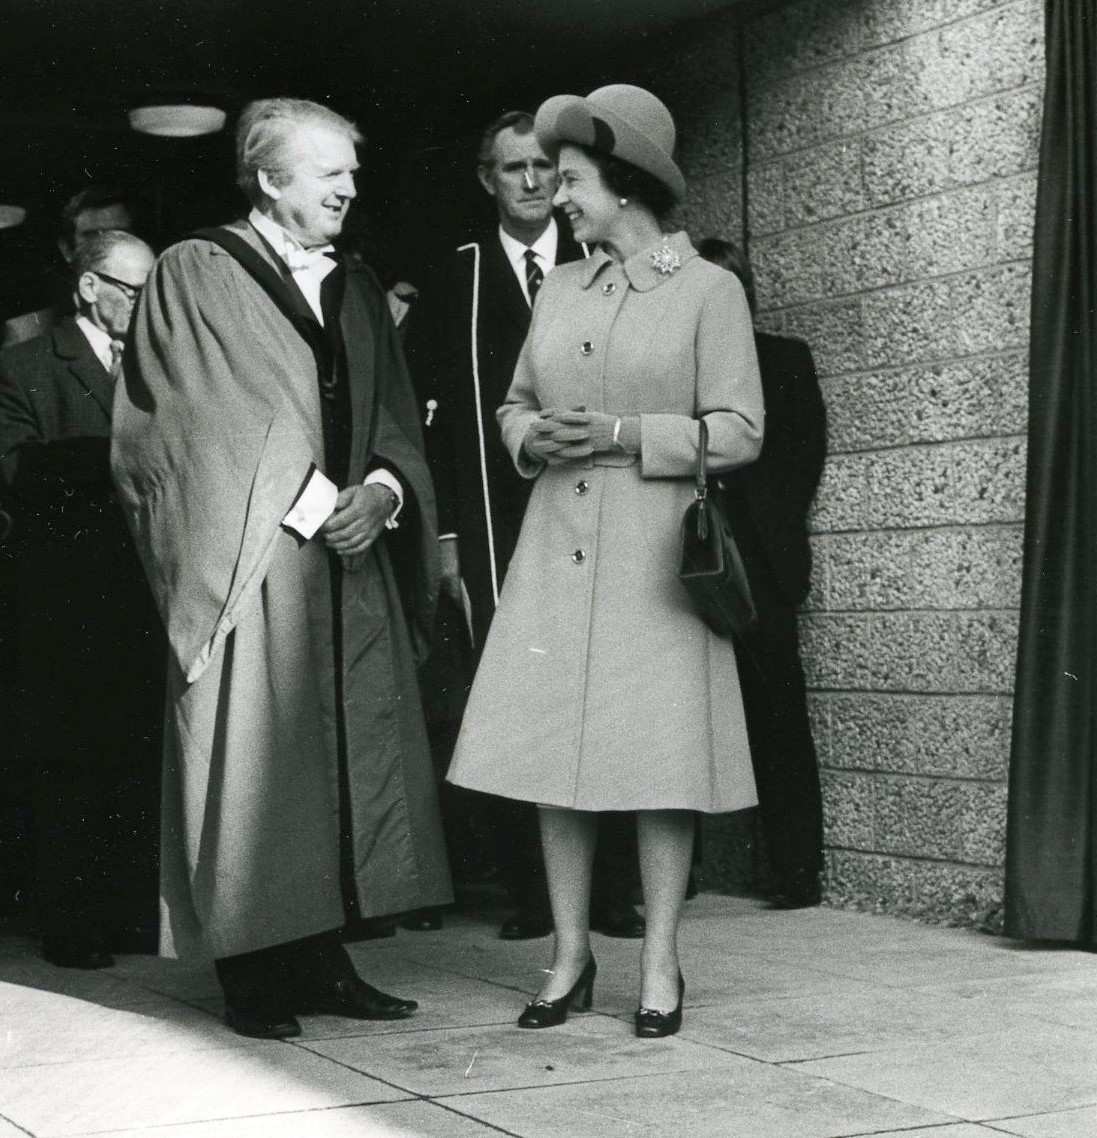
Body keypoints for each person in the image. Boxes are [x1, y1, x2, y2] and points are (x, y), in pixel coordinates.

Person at [111, 97, 452, 1040]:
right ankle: (253, 968)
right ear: (269, 179)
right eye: (328, 171)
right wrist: (313, 506)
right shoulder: (198, 272)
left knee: (340, 759)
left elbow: (390, 412)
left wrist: (382, 493)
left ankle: (321, 956)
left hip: (348, 558)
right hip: (255, 557)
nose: (349, 187)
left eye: (351, 170)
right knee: (258, 759)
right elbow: (196, 422)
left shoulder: (353, 283)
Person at [448, 84, 764, 1038]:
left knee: (658, 767)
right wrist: (527, 436)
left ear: (623, 187)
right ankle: (570, 955)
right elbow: (509, 403)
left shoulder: (708, 288)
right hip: (555, 550)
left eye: (572, 178)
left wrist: (626, 432)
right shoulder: (559, 285)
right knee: (557, 762)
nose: (555, 194)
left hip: (652, 558)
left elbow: (741, 430)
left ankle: (660, 962)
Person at [406, 109, 644, 941]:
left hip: (600, 516)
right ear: (488, 179)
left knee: (602, 695)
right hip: (492, 524)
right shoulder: (454, 278)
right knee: (515, 698)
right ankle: (533, 893)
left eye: (547, 167)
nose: (535, 182)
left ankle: (612, 887)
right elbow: (426, 422)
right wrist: (442, 545)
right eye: (514, 169)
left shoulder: (603, 260)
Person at [0, 230, 163, 967]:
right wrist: (128, 460)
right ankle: (73, 924)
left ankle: (131, 914)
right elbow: (17, 470)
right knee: (70, 763)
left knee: (136, 756)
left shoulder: (168, 366)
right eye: (130, 288)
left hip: (150, 590)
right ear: (88, 286)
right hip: (68, 602)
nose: (142, 302)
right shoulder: (26, 365)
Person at [695, 237, 828, 909]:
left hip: (761, 562)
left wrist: (763, 527)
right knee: (678, 715)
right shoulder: (674, 367)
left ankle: (796, 870)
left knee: (778, 713)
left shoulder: (783, 358)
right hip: (686, 557)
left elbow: (804, 453)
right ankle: (671, 874)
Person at [2, 184, 138, 350]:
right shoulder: (29, 334)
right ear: (66, 249)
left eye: (120, 235)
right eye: (95, 236)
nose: (110, 248)